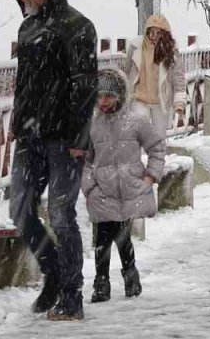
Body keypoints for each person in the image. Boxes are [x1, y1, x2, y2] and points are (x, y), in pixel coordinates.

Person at [7, 0, 97, 321]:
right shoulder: (27, 29)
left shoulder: (77, 26)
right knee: (19, 209)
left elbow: (85, 84)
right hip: (30, 135)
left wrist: (79, 136)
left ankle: (72, 295)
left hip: (64, 138)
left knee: (61, 215)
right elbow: (23, 83)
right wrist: (17, 122)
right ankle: (53, 275)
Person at [82, 68, 166, 303]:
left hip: (127, 191)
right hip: (101, 192)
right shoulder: (92, 125)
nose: (103, 101)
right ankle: (101, 284)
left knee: (122, 236)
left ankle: (130, 276)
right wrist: (89, 188)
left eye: (108, 96)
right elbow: (85, 161)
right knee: (101, 239)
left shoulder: (136, 122)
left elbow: (156, 148)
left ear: (119, 95)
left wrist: (150, 177)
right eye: (99, 96)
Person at [126, 14, 186, 134]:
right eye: (151, 32)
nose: (153, 36)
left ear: (165, 34)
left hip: (161, 100)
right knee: (140, 133)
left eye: (158, 33)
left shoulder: (171, 51)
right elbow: (127, 71)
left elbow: (178, 77)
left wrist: (179, 102)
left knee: (159, 137)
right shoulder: (136, 47)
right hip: (140, 98)